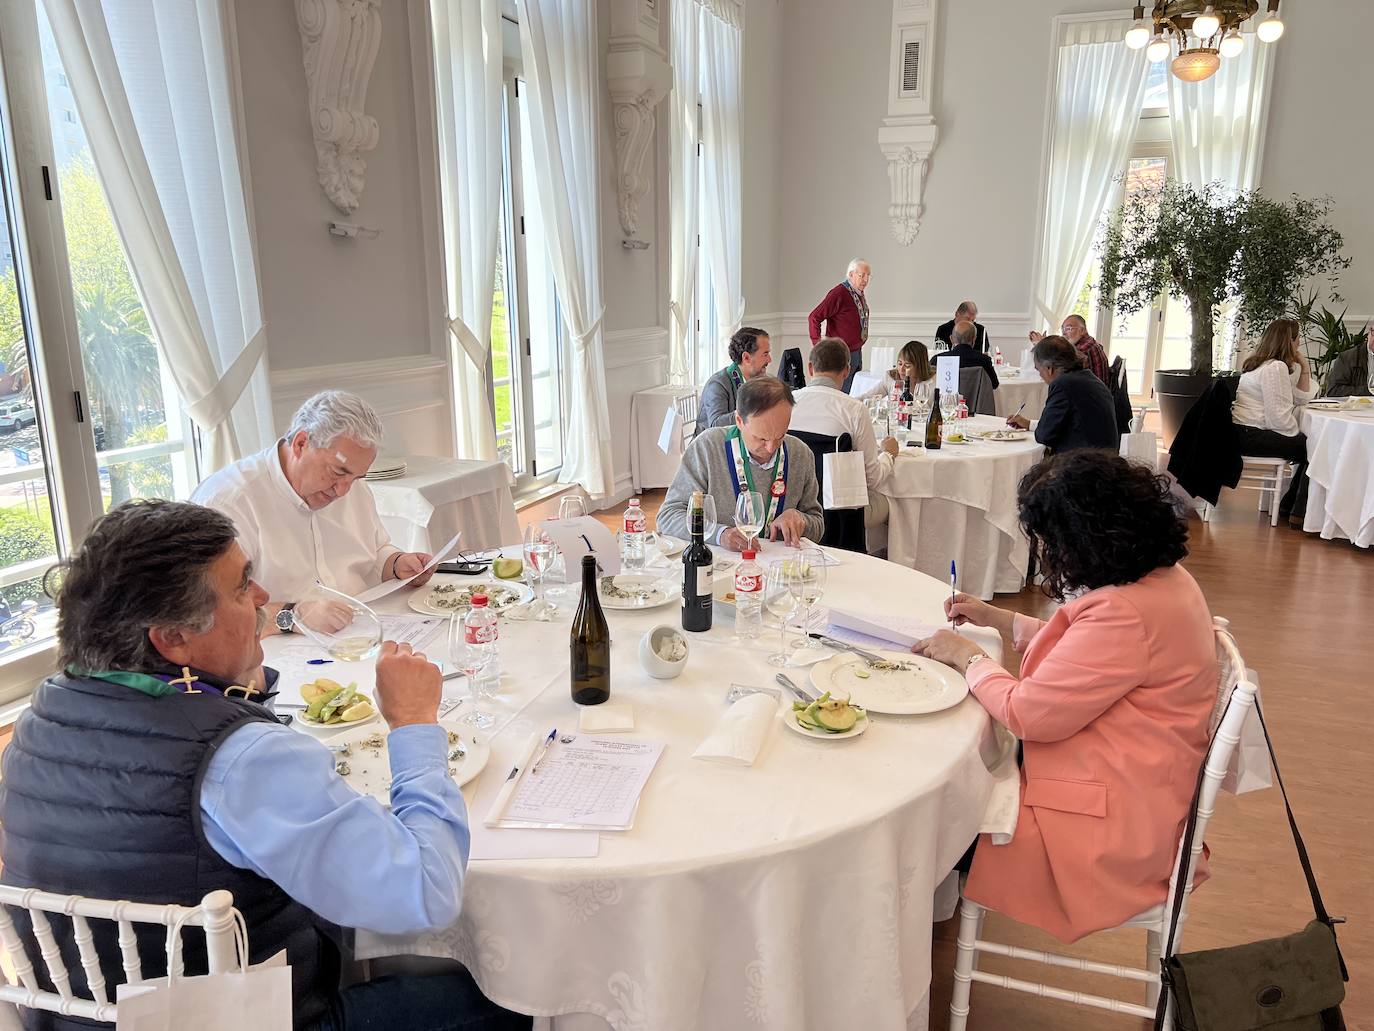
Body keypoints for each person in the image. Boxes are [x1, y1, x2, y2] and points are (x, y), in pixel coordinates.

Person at [0, 500, 529, 1031]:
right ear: (173, 638)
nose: (261, 598)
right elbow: (425, 894)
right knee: (520, 992)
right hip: (247, 1020)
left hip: (78, 1017)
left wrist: (240, 688)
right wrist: (414, 723)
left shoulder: (38, 723)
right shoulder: (241, 760)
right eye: (240, 586)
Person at [911, 450, 1216, 943]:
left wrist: (969, 658)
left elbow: (1028, 714)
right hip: (1145, 780)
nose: (1048, 554)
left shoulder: (1125, 613)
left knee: (939, 801)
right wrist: (1000, 619)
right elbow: (1089, 654)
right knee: (956, 763)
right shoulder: (1162, 581)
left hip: (1110, 818)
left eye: (1051, 542)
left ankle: (910, 923)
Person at [192, 391, 433, 636]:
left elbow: (375, 549)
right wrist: (293, 616)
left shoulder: (351, 486)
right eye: (338, 472)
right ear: (300, 444)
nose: (343, 490)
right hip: (272, 650)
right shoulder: (229, 502)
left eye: (356, 477)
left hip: (361, 631)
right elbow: (210, 613)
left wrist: (396, 564)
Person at [658, 376, 825, 551]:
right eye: (761, 438)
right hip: (720, 566)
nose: (770, 448)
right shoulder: (708, 447)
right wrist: (719, 534)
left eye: (780, 436)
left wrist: (801, 520)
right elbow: (668, 517)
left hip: (780, 568)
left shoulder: (800, 453)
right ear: (739, 421)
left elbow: (818, 525)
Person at [791, 338, 897, 524]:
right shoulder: (854, 410)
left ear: (810, 368)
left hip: (792, 505)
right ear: (847, 371)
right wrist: (888, 454)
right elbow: (872, 480)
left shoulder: (786, 402)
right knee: (892, 504)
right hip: (838, 515)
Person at [1231, 318, 1316, 524]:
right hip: (1251, 436)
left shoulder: (1259, 363)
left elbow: (1302, 399)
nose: (1299, 344)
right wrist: (1298, 433)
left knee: (1308, 446)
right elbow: (1279, 420)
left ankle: (1291, 506)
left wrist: (1304, 366)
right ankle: (1298, 511)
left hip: (1242, 432)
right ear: (1289, 342)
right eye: (1297, 339)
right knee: (1315, 447)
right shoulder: (1275, 368)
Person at [1008, 335, 1118, 454]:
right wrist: (1029, 424)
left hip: (1083, 463)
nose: (1040, 375)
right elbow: (1062, 425)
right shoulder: (1088, 378)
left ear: (1049, 368)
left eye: (1039, 370)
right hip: (1104, 459)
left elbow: (1044, 435)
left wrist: (1038, 428)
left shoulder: (1063, 385)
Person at [808, 258, 872, 393]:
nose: (865, 280)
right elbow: (814, 317)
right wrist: (818, 344)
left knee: (851, 394)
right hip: (841, 353)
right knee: (841, 394)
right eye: (861, 275)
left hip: (856, 351)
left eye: (868, 276)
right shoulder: (839, 293)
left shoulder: (857, 293)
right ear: (851, 275)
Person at [696, 327, 773, 436]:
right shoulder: (718, 384)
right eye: (765, 354)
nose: (769, 360)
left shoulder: (757, 381)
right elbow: (715, 425)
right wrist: (752, 410)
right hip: (712, 449)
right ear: (746, 357)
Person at [1030, 314, 1109, 384]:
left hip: (1090, 396)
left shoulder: (1086, 347)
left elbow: (1059, 361)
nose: (1064, 333)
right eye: (1063, 329)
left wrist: (1043, 346)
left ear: (1082, 330)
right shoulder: (1086, 342)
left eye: (1068, 328)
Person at [1322, 324, 1373, 398]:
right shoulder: (1347, 358)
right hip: (1356, 408)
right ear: (1369, 333)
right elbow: (1333, 390)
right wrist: (1367, 390)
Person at [948, 320, 999, 390]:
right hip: (977, 400)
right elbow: (994, 385)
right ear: (974, 339)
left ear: (951, 339)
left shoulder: (937, 359)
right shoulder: (984, 360)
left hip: (947, 400)